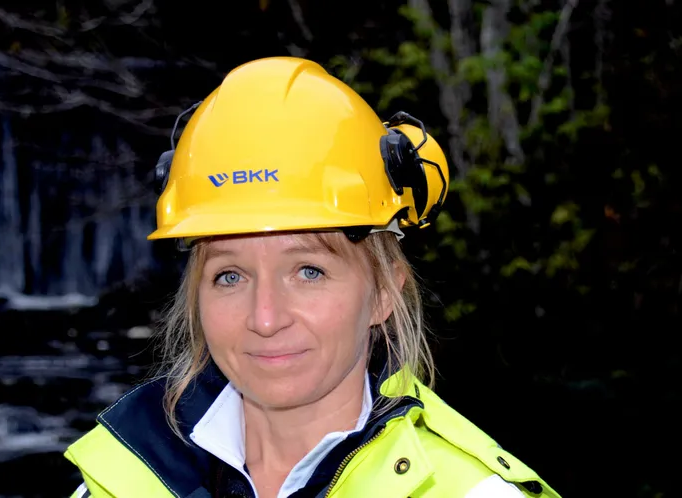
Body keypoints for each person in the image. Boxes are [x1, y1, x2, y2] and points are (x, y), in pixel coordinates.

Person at [63, 56, 559, 498]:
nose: (265, 318)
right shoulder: (121, 480)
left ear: (385, 290)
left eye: (308, 271)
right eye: (230, 276)